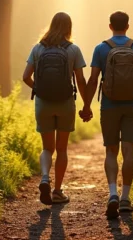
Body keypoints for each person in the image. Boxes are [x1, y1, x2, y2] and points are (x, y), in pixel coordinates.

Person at [82, 11, 133, 219]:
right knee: (129, 151)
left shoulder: (101, 48)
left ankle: (113, 194)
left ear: (110, 26)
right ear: (128, 26)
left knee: (111, 151)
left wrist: (87, 105)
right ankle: (125, 198)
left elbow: (93, 79)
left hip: (109, 105)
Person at [22, 12, 88, 205]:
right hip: (66, 102)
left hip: (43, 103)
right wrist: (85, 104)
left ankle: (44, 178)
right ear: (69, 28)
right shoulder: (73, 49)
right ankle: (57, 191)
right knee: (62, 149)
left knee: (47, 148)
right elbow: (81, 80)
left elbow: (25, 76)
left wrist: (39, 88)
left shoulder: (38, 48)